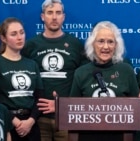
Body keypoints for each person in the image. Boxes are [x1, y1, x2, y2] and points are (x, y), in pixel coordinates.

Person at [69, 21, 140, 141]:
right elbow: (71, 112)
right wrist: (60, 106)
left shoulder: (126, 70)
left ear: (116, 45)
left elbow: (136, 114)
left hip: (121, 136)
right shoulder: (81, 72)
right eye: (101, 41)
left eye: (110, 42)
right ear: (93, 44)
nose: (106, 47)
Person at [21, 0, 89, 140]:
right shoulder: (31, 45)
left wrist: (62, 104)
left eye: (58, 13)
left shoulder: (75, 44)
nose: (54, 17)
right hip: (38, 119)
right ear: (42, 16)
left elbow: (84, 81)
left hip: (67, 116)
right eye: (50, 13)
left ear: (63, 17)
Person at [0, 17, 44, 141]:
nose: (19, 37)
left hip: (31, 124)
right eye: (14, 34)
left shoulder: (32, 64)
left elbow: (39, 97)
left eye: (22, 33)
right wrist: (15, 122)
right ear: (3, 38)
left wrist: (30, 121)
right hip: (7, 124)